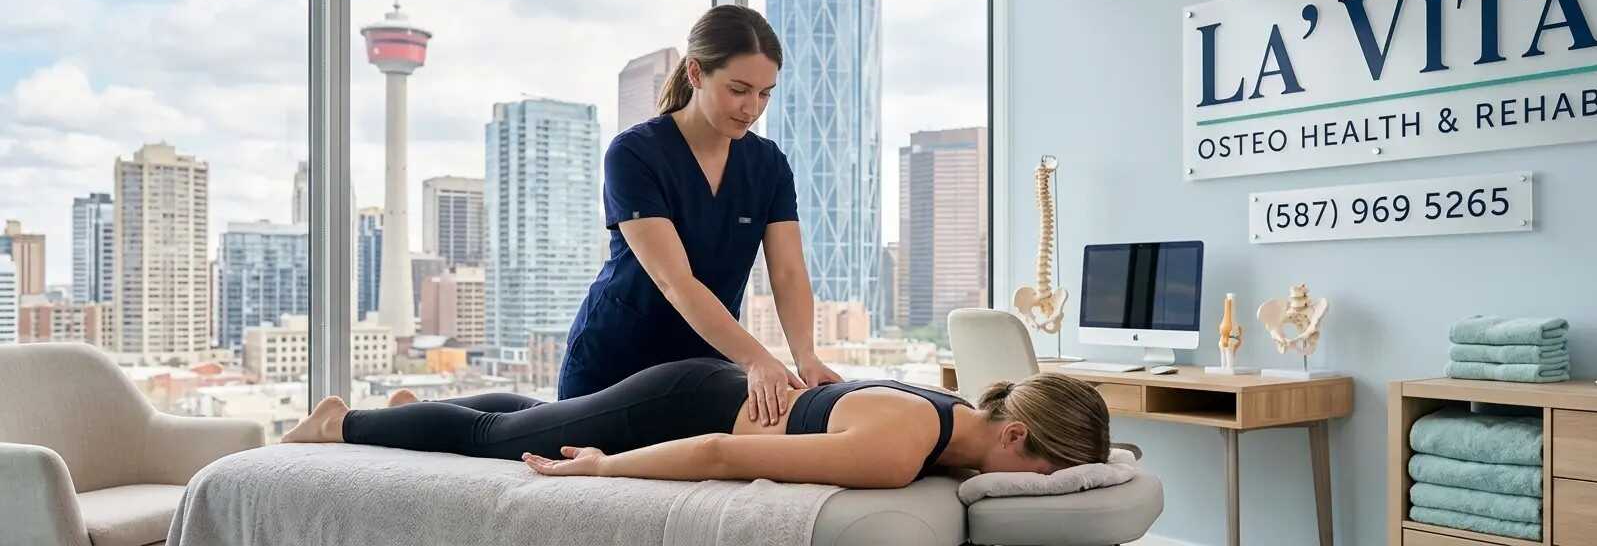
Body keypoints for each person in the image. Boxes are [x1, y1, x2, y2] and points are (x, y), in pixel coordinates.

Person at [562, 4, 841, 427]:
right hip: (612, 366)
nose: (752, 108)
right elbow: (675, 282)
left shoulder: (768, 165)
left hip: (701, 368)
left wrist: (806, 357)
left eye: (765, 93)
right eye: (739, 89)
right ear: (695, 74)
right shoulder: (635, 153)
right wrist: (756, 359)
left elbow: (787, 272)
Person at [280, 361, 1111, 490]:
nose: (1034, 490)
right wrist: (603, 470)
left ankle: (402, 417)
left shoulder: (960, 411)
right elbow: (717, 450)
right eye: (1045, 474)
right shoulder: (903, 452)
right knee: (502, 443)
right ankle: (340, 422)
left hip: (701, 388)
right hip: (684, 403)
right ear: (1014, 438)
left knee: (534, 414)